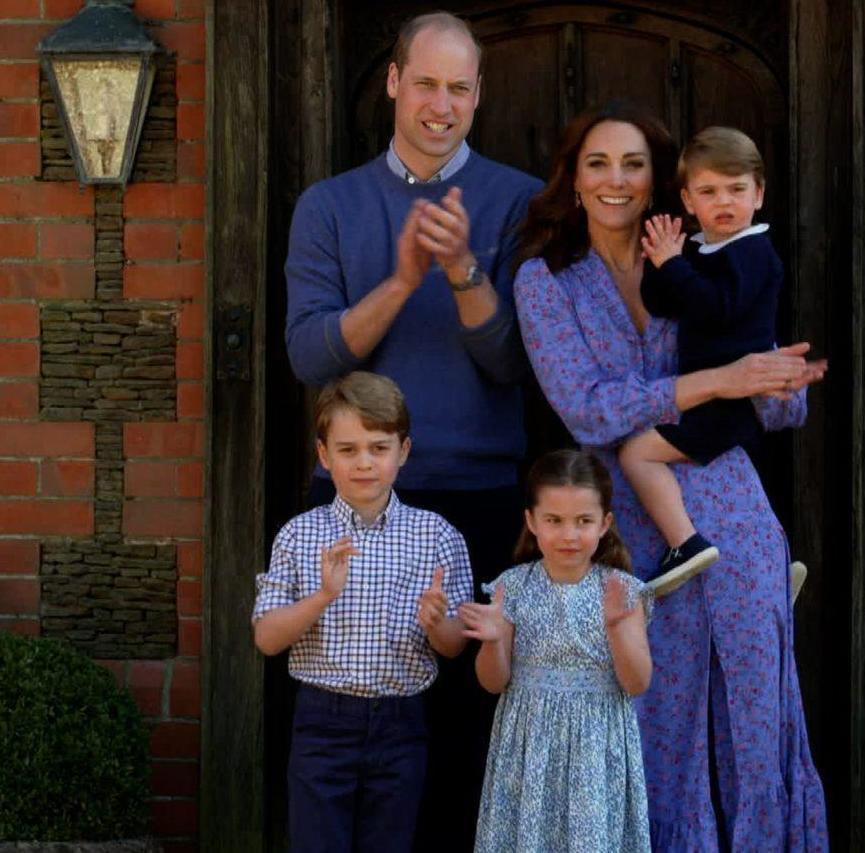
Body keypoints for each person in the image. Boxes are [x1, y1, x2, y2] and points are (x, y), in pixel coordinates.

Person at [512, 102, 830, 851]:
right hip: (625, 527)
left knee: (754, 712)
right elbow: (588, 413)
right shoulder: (545, 280)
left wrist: (781, 381)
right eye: (598, 163)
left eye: (633, 164)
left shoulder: (708, 253)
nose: (616, 180)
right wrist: (718, 381)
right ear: (575, 179)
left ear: (663, 183)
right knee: (653, 714)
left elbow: (777, 401)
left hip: (732, 507)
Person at [283, 11, 542, 848]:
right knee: (356, 723)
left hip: (478, 497)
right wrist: (400, 280)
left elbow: (514, 364)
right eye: (424, 83)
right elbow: (308, 354)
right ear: (393, 82)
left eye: (458, 88)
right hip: (357, 499)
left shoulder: (518, 202)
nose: (441, 104)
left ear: (478, 95)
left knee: (467, 727)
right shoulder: (330, 205)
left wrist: (464, 269)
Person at [251, 372, 472, 852]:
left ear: (404, 451)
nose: (365, 463)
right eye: (348, 450)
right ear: (324, 455)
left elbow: (455, 647)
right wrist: (321, 597)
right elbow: (267, 639)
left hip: (401, 723)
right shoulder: (299, 535)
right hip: (322, 723)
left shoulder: (437, 536)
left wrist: (438, 623)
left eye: (378, 447)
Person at [459, 449, 653, 852]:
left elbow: (637, 682)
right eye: (554, 521)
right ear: (531, 521)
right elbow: (493, 683)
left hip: (596, 745)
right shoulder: (511, 587)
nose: (569, 535)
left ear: (605, 524)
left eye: (583, 521)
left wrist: (618, 627)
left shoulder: (621, 590)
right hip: (529, 744)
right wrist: (493, 640)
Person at [620, 126, 784, 596]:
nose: (724, 202)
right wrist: (661, 261)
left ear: (759, 193)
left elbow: (716, 308)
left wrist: (675, 265)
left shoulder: (754, 252)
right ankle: (761, 568)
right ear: (689, 201)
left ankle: (685, 544)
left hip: (728, 402)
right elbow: (662, 303)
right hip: (706, 394)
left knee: (637, 453)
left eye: (736, 190)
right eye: (709, 192)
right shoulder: (702, 249)